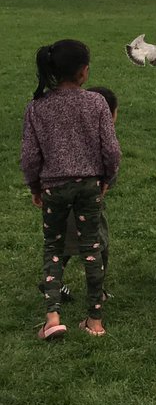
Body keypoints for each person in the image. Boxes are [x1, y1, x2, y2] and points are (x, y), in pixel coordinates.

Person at [20, 39, 121, 340]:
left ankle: (52, 318)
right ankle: (95, 320)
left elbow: (29, 157)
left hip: (53, 187)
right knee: (91, 249)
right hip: (89, 185)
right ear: (84, 72)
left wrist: (35, 186)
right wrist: (106, 178)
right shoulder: (96, 103)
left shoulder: (37, 108)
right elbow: (112, 150)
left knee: (53, 248)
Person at [54, 86, 119, 305]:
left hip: (61, 201)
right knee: (100, 245)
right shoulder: (102, 143)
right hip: (89, 204)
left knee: (63, 243)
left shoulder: (67, 138)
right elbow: (110, 169)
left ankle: (53, 282)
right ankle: (97, 292)